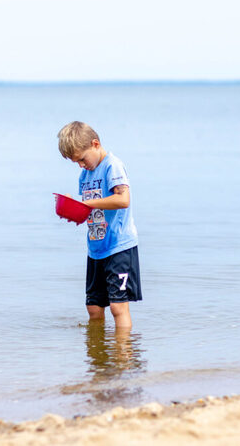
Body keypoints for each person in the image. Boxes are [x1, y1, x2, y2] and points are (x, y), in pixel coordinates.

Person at [57, 121, 142, 329]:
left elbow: (123, 200)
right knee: (93, 308)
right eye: (76, 162)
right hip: (96, 248)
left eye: (82, 159)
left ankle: (123, 357)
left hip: (119, 246)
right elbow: (93, 210)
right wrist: (74, 209)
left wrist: (86, 203)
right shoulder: (85, 175)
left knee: (117, 307)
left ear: (95, 144)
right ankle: (99, 355)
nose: (80, 165)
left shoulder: (112, 165)